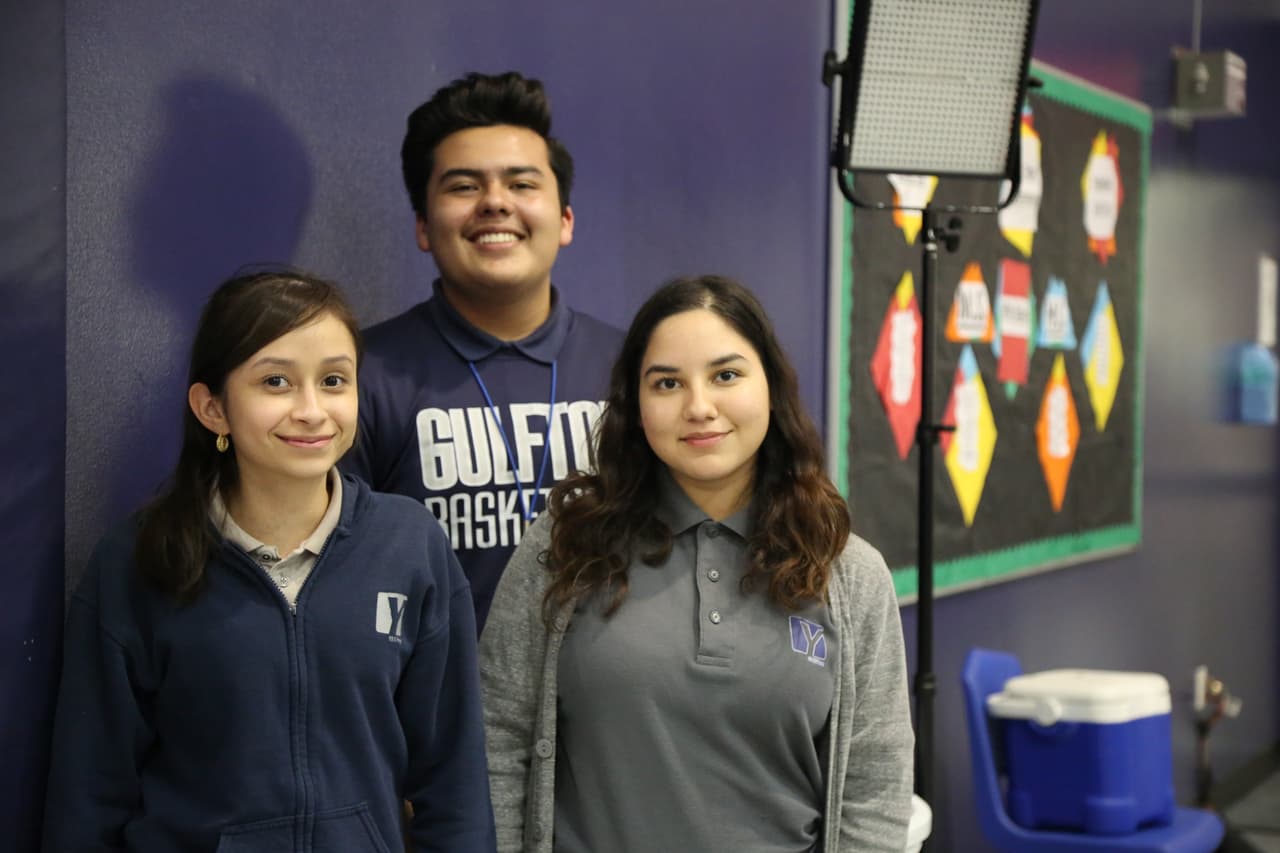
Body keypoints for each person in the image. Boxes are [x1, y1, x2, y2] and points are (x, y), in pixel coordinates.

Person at [44, 269, 495, 853]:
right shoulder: (136, 559)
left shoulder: (410, 545)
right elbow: (88, 795)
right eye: (276, 382)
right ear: (213, 409)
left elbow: (453, 781)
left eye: (334, 380)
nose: (312, 410)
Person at [479, 275, 915, 853]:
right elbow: (498, 741)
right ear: (635, 405)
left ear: (772, 389)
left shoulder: (850, 574)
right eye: (667, 383)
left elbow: (875, 785)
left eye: (726, 375)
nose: (699, 407)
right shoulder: (564, 544)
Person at [342, 71, 621, 632]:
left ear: (564, 219)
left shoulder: (632, 369)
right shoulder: (358, 377)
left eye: (522, 184)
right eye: (464, 186)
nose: (495, 202)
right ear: (423, 226)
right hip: (430, 714)